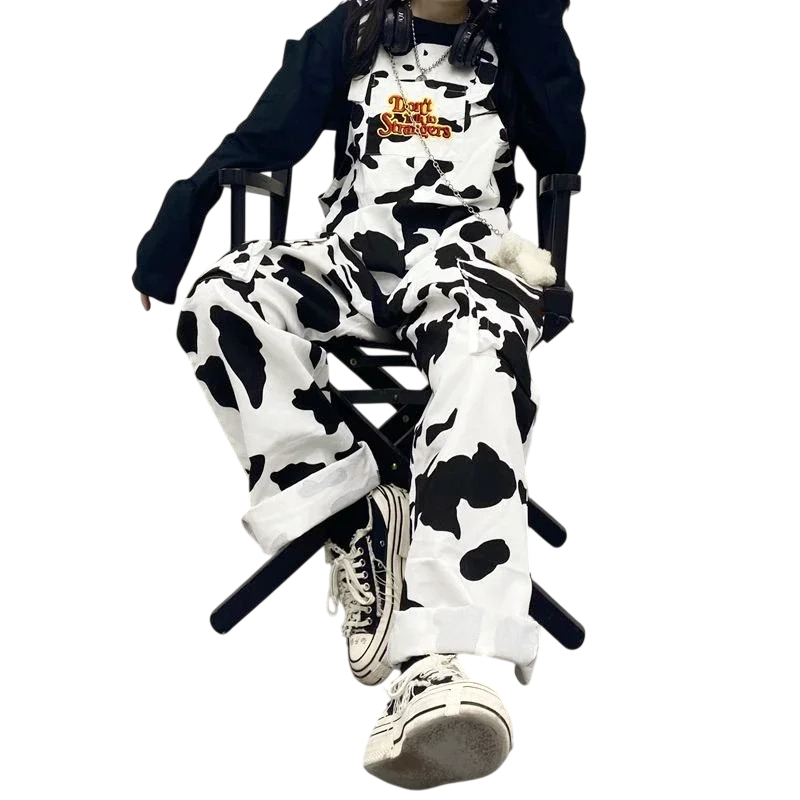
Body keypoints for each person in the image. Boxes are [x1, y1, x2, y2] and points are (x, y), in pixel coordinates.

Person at [133, 0, 585, 789]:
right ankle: (353, 518)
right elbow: (261, 139)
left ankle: (436, 663)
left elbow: (561, 147)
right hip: (352, 256)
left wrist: (535, 14)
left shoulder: (516, 36)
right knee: (223, 299)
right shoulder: (353, 31)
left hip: (465, 261)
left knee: (484, 346)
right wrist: (175, 230)